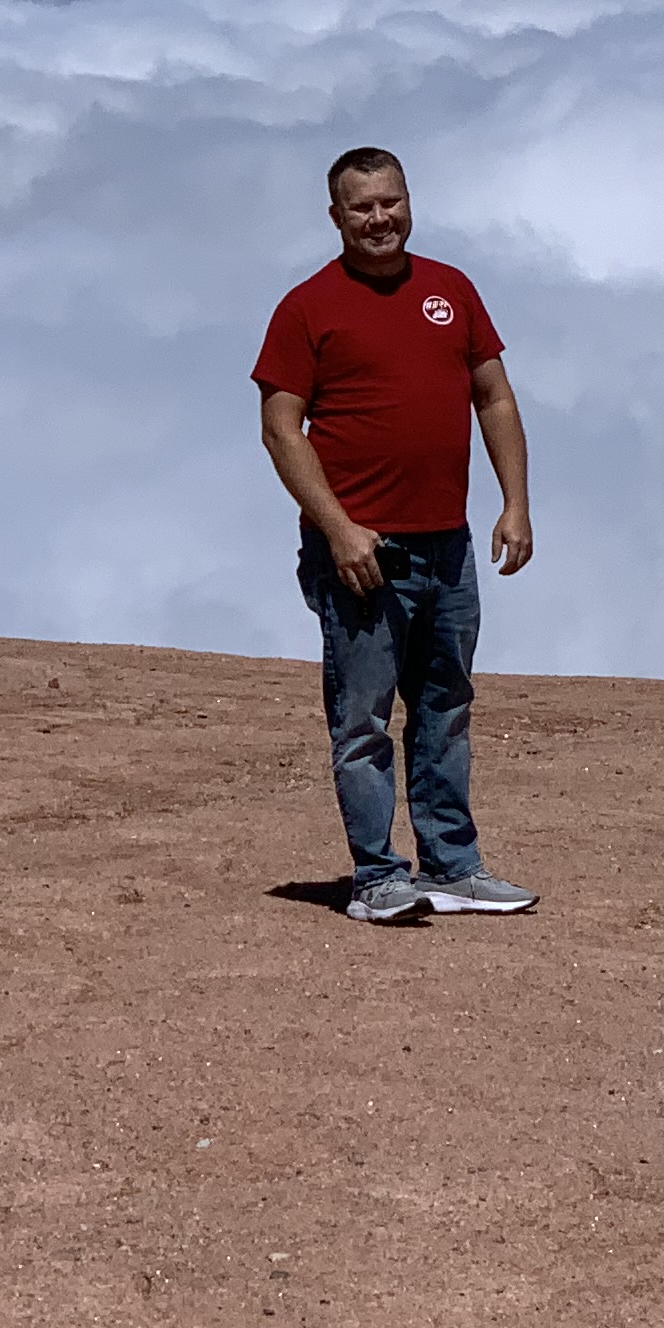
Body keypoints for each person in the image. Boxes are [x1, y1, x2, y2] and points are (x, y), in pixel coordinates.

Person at [252, 145, 539, 925]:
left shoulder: (452, 290)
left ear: (409, 202)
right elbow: (280, 428)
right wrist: (338, 529)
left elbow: (494, 397)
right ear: (336, 215)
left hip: (449, 545)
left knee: (446, 707)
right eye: (363, 207)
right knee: (364, 720)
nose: (380, 218)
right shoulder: (308, 307)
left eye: (391, 202)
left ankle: (452, 867)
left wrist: (515, 503)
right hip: (363, 553)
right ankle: (378, 877)